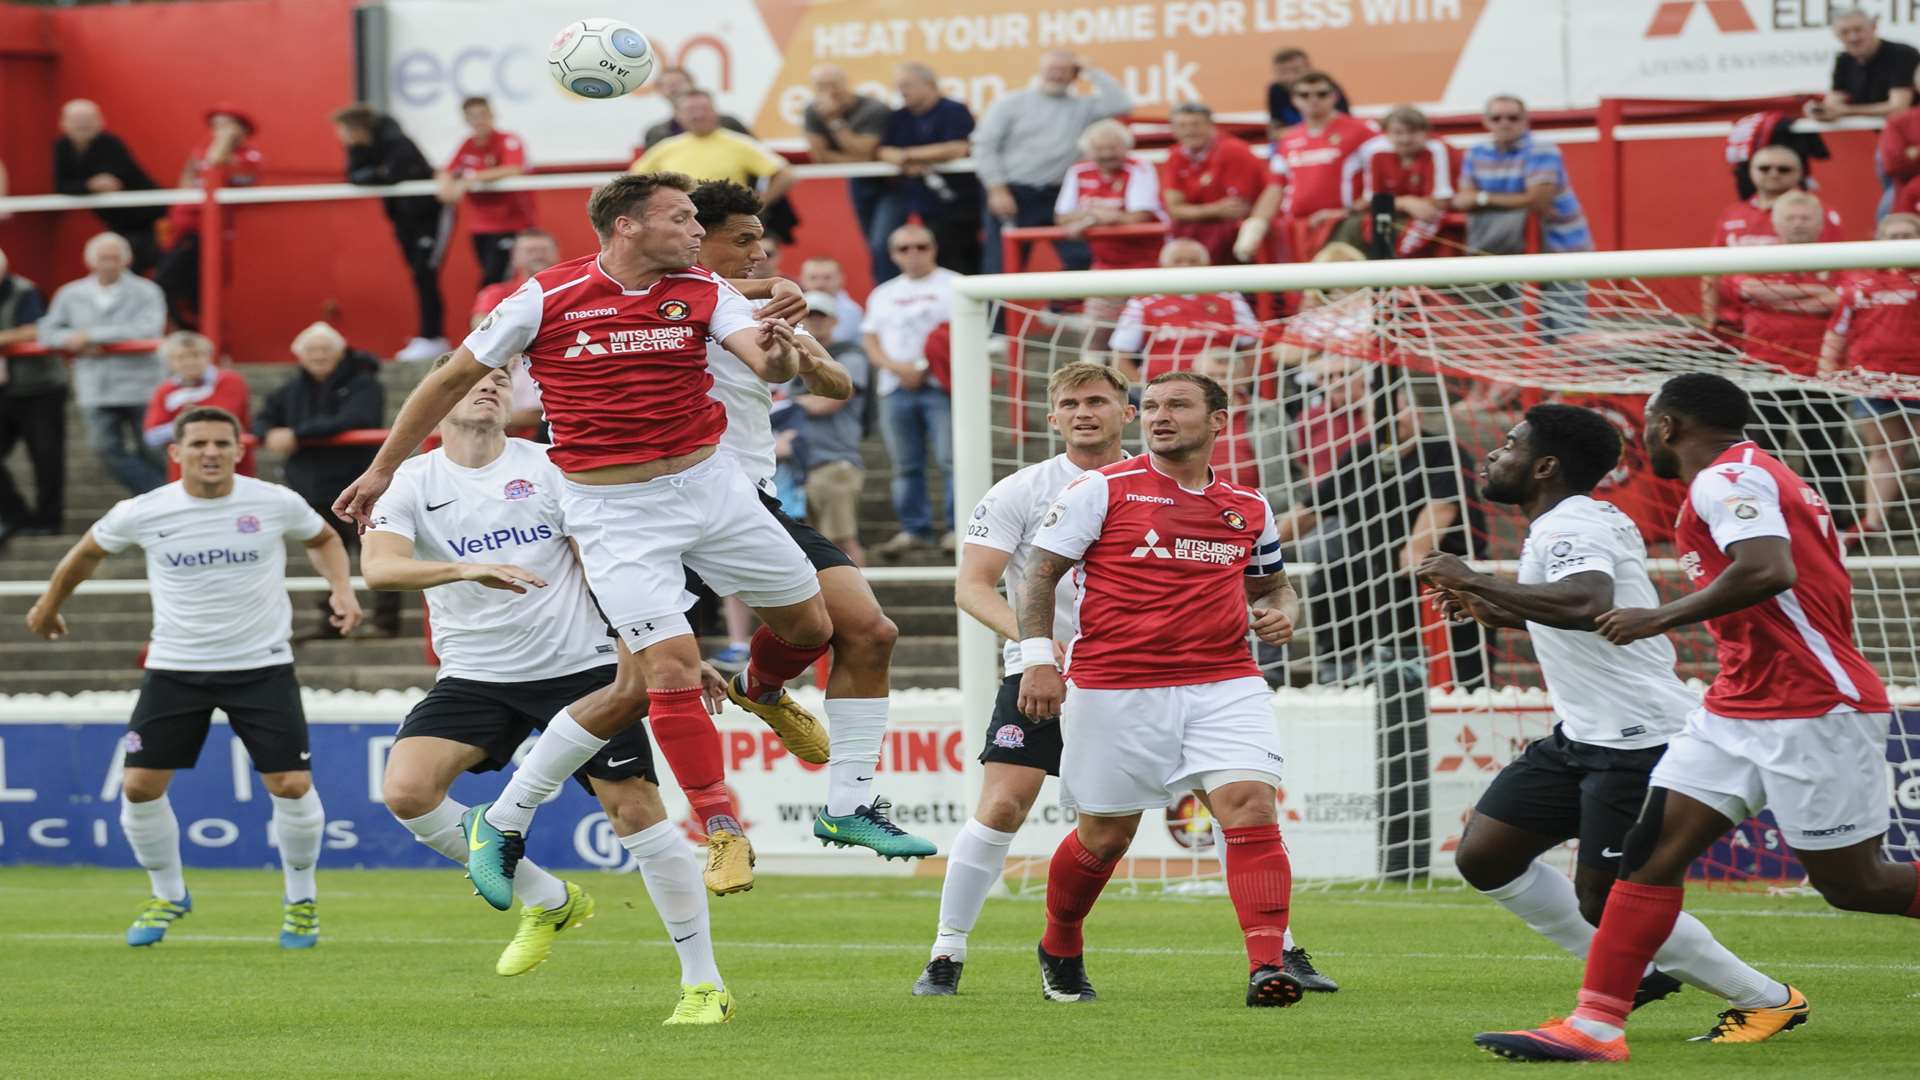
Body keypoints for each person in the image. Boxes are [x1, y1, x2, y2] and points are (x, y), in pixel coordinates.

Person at [333, 171, 835, 903]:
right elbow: (445, 381)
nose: (699, 233)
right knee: (665, 669)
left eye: (699, 221)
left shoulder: (705, 289)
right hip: (615, 514)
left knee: (811, 628)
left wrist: (785, 351)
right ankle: (722, 827)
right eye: (682, 218)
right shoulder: (543, 296)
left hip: (713, 489)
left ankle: (763, 688)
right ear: (627, 225)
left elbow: (768, 364)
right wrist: (382, 469)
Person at [1475, 373, 1916, 1063]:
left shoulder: (1725, 479)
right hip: (1736, 702)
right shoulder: (1747, 476)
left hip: (1812, 702)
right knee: (1647, 862)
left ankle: (1693, 1008)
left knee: (1855, 885)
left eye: (1648, 422)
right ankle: (1596, 1025)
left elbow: (1769, 570)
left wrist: (1659, 615)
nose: (1641, 437)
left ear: (1668, 425)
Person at [363, 357, 736, 1024]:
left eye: (502, 380)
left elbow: (608, 566)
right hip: (475, 674)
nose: (489, 384)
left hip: (581, 668)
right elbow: (380, 567)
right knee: (407, 792)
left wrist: (667, 652)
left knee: (638, 815)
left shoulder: (550, 467)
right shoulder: (413, 482)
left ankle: (702, 983)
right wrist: (465, 569)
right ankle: (548, 900)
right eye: (473, 377)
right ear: (440, 395)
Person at [1418, 404, 1799, 1041]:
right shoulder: (1568, 522)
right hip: (1583, 736)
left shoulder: (1571, 524)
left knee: (1607, 901)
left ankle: (1770, 1000)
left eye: (1509, 445)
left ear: (1544, 466)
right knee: (1487, 856)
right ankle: (1638, 973)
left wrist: (1474, 575)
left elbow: (1584, 601)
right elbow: (1591, 613)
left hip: (1637, 739)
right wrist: (1497, 609)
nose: (1493, 454)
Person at [24, 405, 361, 949]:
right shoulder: (144, 510)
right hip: (176, 668)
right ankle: (169, 893)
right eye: (199, 444)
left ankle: (301, 901)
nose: (211, 453)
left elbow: (322, 538)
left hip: (261, 666)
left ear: (238, 450)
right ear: (176, 453)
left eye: (221, 444)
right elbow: (87, 554)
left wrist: (340, 589)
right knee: (138, 786)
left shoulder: (272, 502)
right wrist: (49, 603)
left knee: (292, 785)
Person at [1017, 370, 1302, 1007]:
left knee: (1250, 805)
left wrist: (1285, 611)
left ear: (1220, 420)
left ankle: (1267, 965)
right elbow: (1039, 575)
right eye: (1150, 406)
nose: (1160, 416)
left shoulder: (1249, 507)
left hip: (1224, 681)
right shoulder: (1101, 489)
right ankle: (1060, 938)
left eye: (1177, 405)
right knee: (1106, 838)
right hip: (1115, 685)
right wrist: (1037, 656)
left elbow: (1272, 586)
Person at [688, 180, 929, 854]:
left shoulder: (755, 309)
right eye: (743, 242)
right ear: (692, 236)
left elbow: (836, 384)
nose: (759, 257)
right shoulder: (660, 302)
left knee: (871, 631)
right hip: (664, 502)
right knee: (625, 690)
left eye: (763, 246)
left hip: (750, 499)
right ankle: (505, 820)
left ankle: (842, 798)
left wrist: (792, 350)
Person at [255, 321, 400, 639]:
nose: (318, 356)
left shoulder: (364, 383)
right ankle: (333, 621)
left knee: (377, 551)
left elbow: (357, 418)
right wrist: (269, 433)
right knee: (327, 559)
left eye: (325, 349)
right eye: (311, 350)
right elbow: (262, 419)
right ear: (300, 356)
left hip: (359, 485)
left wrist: (298, 434)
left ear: (340, 352)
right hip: (313, 487)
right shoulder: (290, 390)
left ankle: (386, 622)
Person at [1726, 192, 1854, 527]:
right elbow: (1749, 288)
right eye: (1791, 217)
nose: (1798, 224)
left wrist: (1779, 297)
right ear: (1777, 221)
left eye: (1805, 217)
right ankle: (1768, 517)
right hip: (1762, 368)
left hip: (1823, 371)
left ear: (1819, 221)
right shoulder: (1756, 256)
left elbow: (1841, 299)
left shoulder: (1840, 258)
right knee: (1765, 448)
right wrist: (1814, 297)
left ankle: (1831, 520)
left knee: (1825, 448)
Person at [975, 50, 1131, 274]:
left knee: (1080, 258)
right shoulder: (1010, 103)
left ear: (1074, 74)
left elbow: (1122, 104)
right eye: (1052, 69)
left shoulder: (1083, 107)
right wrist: (997, 189)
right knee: (1002, 265)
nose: (1056, 75)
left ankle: (1060, 307)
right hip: (1014, 194)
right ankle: (997, 311)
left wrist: (1091, 71)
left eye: (1064, 70)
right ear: (1041, 71)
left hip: (1060, 196)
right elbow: (984, 146)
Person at [39, 232, 168, 496]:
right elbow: (48, 332)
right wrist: (71, 340)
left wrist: (90, 336)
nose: (109, 263)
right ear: (90, 261)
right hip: (95, 386)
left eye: (115, 258)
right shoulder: (70, 293)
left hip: (141, 385)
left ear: (127, 260)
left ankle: (163, 497)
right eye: (103, 258)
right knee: (104, 449)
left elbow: (148, 329)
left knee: (153, 448)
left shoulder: (148, 291)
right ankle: (160, 494)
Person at [1820, 212, 1920, 544]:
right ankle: (1873, 522)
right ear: (1878, 240)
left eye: (1909, 235)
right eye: (1894, 236)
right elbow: (1838, 328)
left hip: (1916, 378)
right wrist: (1825, 367)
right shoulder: (1858, 281)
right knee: (1885, 450)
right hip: (1872, 379)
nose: (1901, 242)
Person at [863, 223, 959, 557]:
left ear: (933, 248)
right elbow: (870, 339)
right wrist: (898, 368)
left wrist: (921, 368)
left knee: (952, 460)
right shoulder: (883, 293)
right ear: (893, 255)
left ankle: (957, 528)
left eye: (921, 246)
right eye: (905, 248)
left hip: (943, 386)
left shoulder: (955, 285)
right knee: (905, 465)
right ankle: (913, 529)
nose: (914, 254)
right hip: (894, 387)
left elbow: (962, 335)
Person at [332, 104, 449, 362]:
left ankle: (433, 336)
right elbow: (354, 175)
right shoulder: (359, 146)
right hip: (402, 217)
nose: (340, 138)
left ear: (357, 128)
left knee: (425, 273)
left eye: (342, 131)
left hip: (430, 215)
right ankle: (429, 336)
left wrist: (380, 174)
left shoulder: (397, 140)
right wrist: (380, 174)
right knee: (417, 273)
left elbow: (396, 173)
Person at [1703, 147, 1844, 334]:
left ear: (1800, 173)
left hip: (1794, 324)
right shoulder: (1732, 213)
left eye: (1783, 169)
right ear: (1751, 171)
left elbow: (1828, 278)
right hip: (1732, 322)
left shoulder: (1816, 214)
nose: (1774, 174)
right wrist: (1709, 314)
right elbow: (1712, 270)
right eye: (1764, 168)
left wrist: (1766, 299)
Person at [1240, 71, 1378, 261]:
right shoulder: (1288, 139)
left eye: (1321, 94)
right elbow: (1275, 187)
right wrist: (1255, 225)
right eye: (1304, 95)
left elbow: (1382, 179)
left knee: (1344, 286)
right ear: (1294, 100)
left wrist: (1350, 212)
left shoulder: (1362, 131)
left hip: (1343, 225)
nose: (1313, 100)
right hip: (1298, 229)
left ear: (1334, 96)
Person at [154, 105, 263, 329]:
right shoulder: (200, 150)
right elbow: (188, 175)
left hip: (207, 232)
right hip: (181, 228)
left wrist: (224, 140)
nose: (218, 131)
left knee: (175, 284)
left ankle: (194, 332)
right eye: (216, 125)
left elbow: (216, 163)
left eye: (226, 125)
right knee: (187, 290)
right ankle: (192, 333)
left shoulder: (248, 157)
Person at [630, 91, 796, 238]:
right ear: (678, 115)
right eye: (690, 111)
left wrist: (758, 204)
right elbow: (633, 180)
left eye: (703, 109)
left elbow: (786, 174)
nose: (698, 115)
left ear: (715, 112)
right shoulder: (666, 147)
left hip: (725, 226)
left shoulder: (739, 143)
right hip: (680, 229)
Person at [1806, 6, 1919, 218]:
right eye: (1845, 32)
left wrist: (1843, 112)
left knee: (1895, 192)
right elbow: (1834, 103)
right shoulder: (1844, 60)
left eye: (1858, 30)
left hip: (1909, 141)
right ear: (1836, 35)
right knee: (1895, 191)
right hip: (1894, 143)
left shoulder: (1901, 54)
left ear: (1873, 27)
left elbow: (1898, 106)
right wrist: (1819, 110)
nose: (1853, 37)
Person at [873, 63, 982, 281]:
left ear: (929, 85)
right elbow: (883, 151)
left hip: (960, 202)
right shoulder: (899, 117)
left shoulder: (953, 110)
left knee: (962, 257)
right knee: (885, 245)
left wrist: (908, 155)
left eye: (907, 85)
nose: (902, 91)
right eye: (898, 86)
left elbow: (957, 147)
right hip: (922, 200)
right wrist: (905, 159)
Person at [1054, 118, 1164, 333]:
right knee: (1097, 333)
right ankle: (1092, 367)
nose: (1106, 154)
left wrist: (1089, 219)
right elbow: (1062, 218)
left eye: (1112, 148)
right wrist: (1102, 216)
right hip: (1105, 265)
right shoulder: (1078, 171)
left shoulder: (1139, 167)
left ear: (1126, 147)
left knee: (1150, 332)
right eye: (1098, 148)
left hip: (1149, 264)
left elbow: (1139, 216)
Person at [1108, 239, 1257, 385]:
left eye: (1193, 261)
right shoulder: (1142, 302)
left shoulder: (1230, 299)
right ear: (1162, 266)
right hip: (1160, 389)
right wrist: (1145, 392)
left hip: (1219, 389)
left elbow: (1253, 348)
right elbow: (1120, 356)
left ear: (1207, 265)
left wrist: (1240, 385)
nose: (1185, 266)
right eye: (1178, 261)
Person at [791, 292, 870, 565]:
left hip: (835, 462)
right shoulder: (792, 355)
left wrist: (789, 403)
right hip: (800, 466)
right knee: (812, 547)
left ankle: (861, 606)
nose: (815, 322)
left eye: (820, 316)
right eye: (809, 316)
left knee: (843, 540)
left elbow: (831, 401)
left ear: (834, 321)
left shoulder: (850, 357)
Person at [51, 99, 164, 272]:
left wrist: (86, 186)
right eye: (77, 121)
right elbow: (62, 186)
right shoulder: (61, 147)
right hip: (117, 224)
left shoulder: (111, 144)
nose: (82, 125)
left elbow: (112, 182)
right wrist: (89, 185)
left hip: (148, 219)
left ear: (100, 122)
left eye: (87, 120)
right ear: (63, 123)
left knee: (145, 268)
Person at [436, 97, 533, 288]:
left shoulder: (508, 140)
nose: (479, 120)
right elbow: (448, 170)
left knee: (496, 281)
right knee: (490, 279)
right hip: (480, 226)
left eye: (483, 114)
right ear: (465, 120)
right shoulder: (467, 144)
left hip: (511, 224)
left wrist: (471, 178)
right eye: (472, 116)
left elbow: (513, 169)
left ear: (492, 115)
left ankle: (492, 317)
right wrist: (445, 184)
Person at [1336, 105, 1457, 259]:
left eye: (1412, 132)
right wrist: (1406, 202)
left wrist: (1395, 204)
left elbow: (1440, 202)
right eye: (1398, 133)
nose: (1405, 139)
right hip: (1392, 215)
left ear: (1426, 133)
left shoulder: (1436, 150)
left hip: (1419, 218)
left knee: (1428, 220)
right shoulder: (1377, 152)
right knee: (1352, 226)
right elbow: (1370, 202)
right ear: (1386, 134)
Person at [0, 247, 60, 543]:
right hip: (5, 388)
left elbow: (35, 330)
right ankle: (16, 515)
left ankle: (48, 521)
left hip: (40, 387)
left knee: (46, 456)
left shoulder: (26, 291)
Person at [803, 64, 892, 265]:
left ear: (846, 84)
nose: (829, 93)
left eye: (833, 85)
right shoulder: (813, 110)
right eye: (821, 87)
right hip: (858, 181)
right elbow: (820, 157)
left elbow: (865, 151)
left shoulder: (873, 108)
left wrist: (835, 121)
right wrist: (859, 159)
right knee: (871, 245)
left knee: (882, 244)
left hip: (891, 183)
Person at [1161, 103, 1268, 267]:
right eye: (1182, 125)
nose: (1190, 131)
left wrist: (1192, 211)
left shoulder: (1233, 150)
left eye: (1196, 124)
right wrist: (1214, 209)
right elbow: (1174, 210)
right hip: (1200, 237)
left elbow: (1236, 210)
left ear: (1211, 126)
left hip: (1236, 241)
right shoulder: (1175, 156)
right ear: (1173, 130)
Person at [142, 330, 255, 479]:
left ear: (208, 356)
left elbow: (220, 422)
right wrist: (185, 421)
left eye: (195, 355)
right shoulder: (165, 390)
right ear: (170, 362)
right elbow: (152, 436)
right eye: (181, 357)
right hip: (184, 474)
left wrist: (183, 422)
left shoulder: (230, 381)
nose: (189, 362)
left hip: (233, 470)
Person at [640, 67, 753, 150]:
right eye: (668, 84)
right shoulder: (656, 133)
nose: (674, 88)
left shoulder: (728, 123)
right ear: (660, 91)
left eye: (679, 82)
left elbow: (755, 152)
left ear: (692, 84)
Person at [470, 230, 560, 327]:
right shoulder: (495, 293)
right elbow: (480, 327)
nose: (538, 255)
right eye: (530, 251)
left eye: (544, 250)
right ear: (514, 257)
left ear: (557, 253)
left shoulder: (571, 289)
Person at [1267, 47, 1350, 127]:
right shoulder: (1275, 90)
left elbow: (1344, 124)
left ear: (1309, 68)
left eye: (1296, 70)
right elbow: (1275, 130)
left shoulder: (1325, 86)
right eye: (1283, 72)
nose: (1290, 77)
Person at [799, 256, 864, 345]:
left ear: (841, 279)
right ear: (802, 279)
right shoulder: (791, 306)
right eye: (813, 277)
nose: (820, 284)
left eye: (827, 277)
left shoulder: (851, 312)